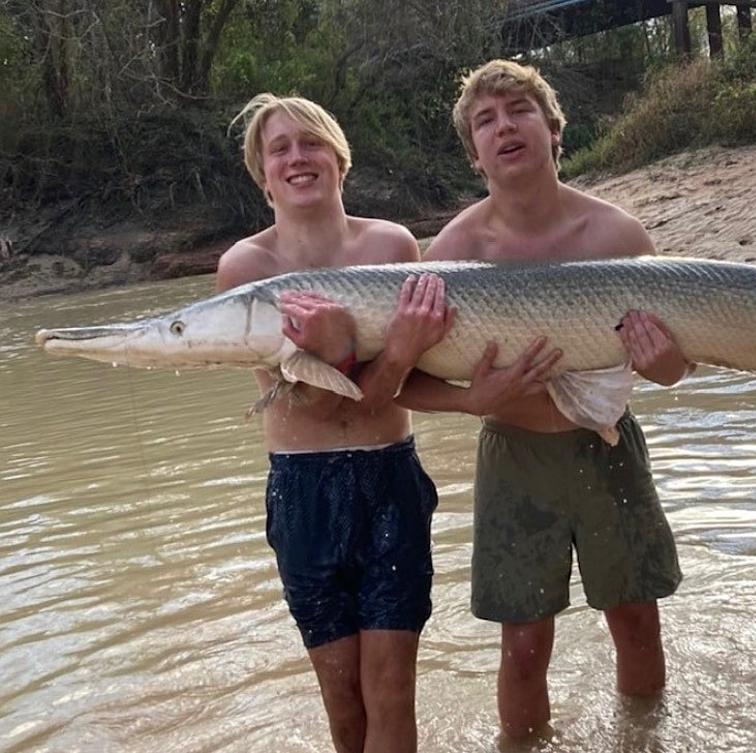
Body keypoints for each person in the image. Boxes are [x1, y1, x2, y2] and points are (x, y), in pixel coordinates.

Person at [397, 60, 689, 739]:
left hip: (609, 446)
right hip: (513, 456)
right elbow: (402, 379)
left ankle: (644, 738)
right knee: (523, 646)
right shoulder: (454, 251)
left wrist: (663, 360)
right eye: (486, 120)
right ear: (474, 154)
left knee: (638, 621)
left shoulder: (619, 237)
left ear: (555, 129)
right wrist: (473, 401)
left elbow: (675, 370)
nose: (505, 126)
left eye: (519, 110)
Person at [217, 93, 453, 753]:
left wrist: (451, 377)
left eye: (312, 142)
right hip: (303, 490)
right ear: (263, 177)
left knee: (391, 691)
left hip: (390, 478)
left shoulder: (392, 244)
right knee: (344, 705)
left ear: (340, 161)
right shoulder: (246, 269)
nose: (298, 157)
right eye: (280, 148)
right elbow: (320, 405)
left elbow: (406, 386)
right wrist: (390, 349)